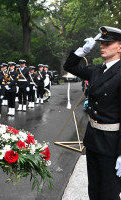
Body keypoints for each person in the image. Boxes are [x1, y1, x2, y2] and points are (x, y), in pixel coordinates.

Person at [63, 26, 121, 200]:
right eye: (101, 43)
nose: (102, 46)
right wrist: (82, 51)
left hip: (112, 143)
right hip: (94, 138)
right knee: (94, 190)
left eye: (108, 43)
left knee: (108, 194)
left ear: (120, 47)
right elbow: (70, 66)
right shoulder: (97, 70)